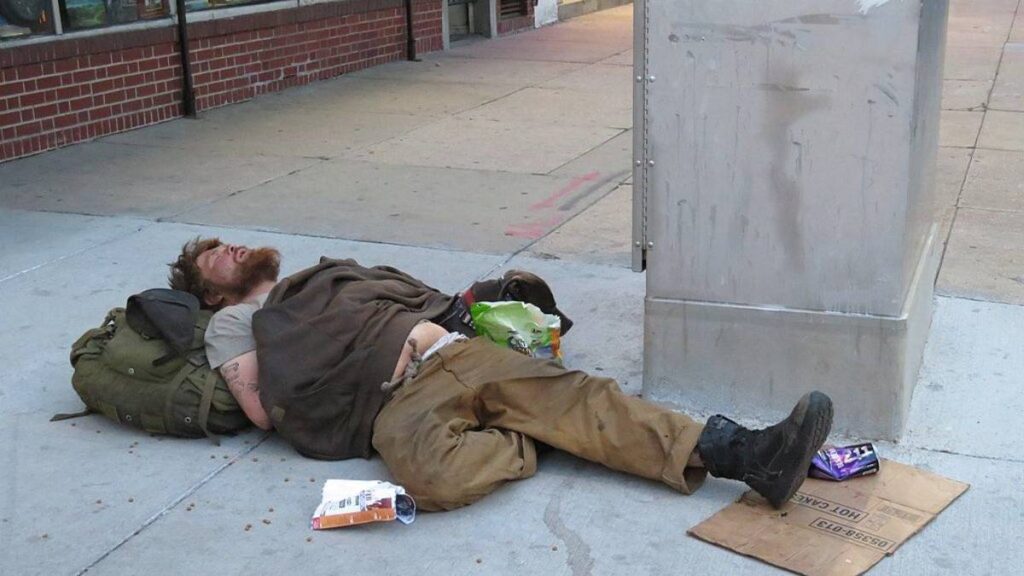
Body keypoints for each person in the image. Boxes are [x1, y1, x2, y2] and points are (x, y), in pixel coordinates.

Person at [168, 237, 834, 512]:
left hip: (452, 351)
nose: (225, 248)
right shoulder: (239, 323)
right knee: (426, 481)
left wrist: (467, 307)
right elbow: (265, 409)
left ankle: (747, 453)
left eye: (222, 243)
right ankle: (538, 435)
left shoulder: (325, 278)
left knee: (581, 397)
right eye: (211, 258)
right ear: (211, 296)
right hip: (392, 402)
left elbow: (416, 296)